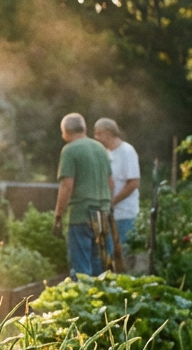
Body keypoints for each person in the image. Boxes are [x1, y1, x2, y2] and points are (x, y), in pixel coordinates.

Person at [53, 113, 114, 277]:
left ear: (65, 132)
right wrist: (108, 207)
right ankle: (100, 300)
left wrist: (58, 215)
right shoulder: (101, 149)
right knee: (100, 265)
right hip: (102, 215)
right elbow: (111, 183)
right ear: (84, 128)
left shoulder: (70, 150)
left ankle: (82, 301)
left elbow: (67, 185)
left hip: (81, 215)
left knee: (81, 269)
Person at [93, 117, 141, 253]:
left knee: (124, 255)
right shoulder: (107, 153)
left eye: (98, 133)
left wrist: (113, 202)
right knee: (109, 256)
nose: (96, 137)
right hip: (109, 214)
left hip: (125, 214)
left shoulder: (127, 151)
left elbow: (134, 183)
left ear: (107, 133)